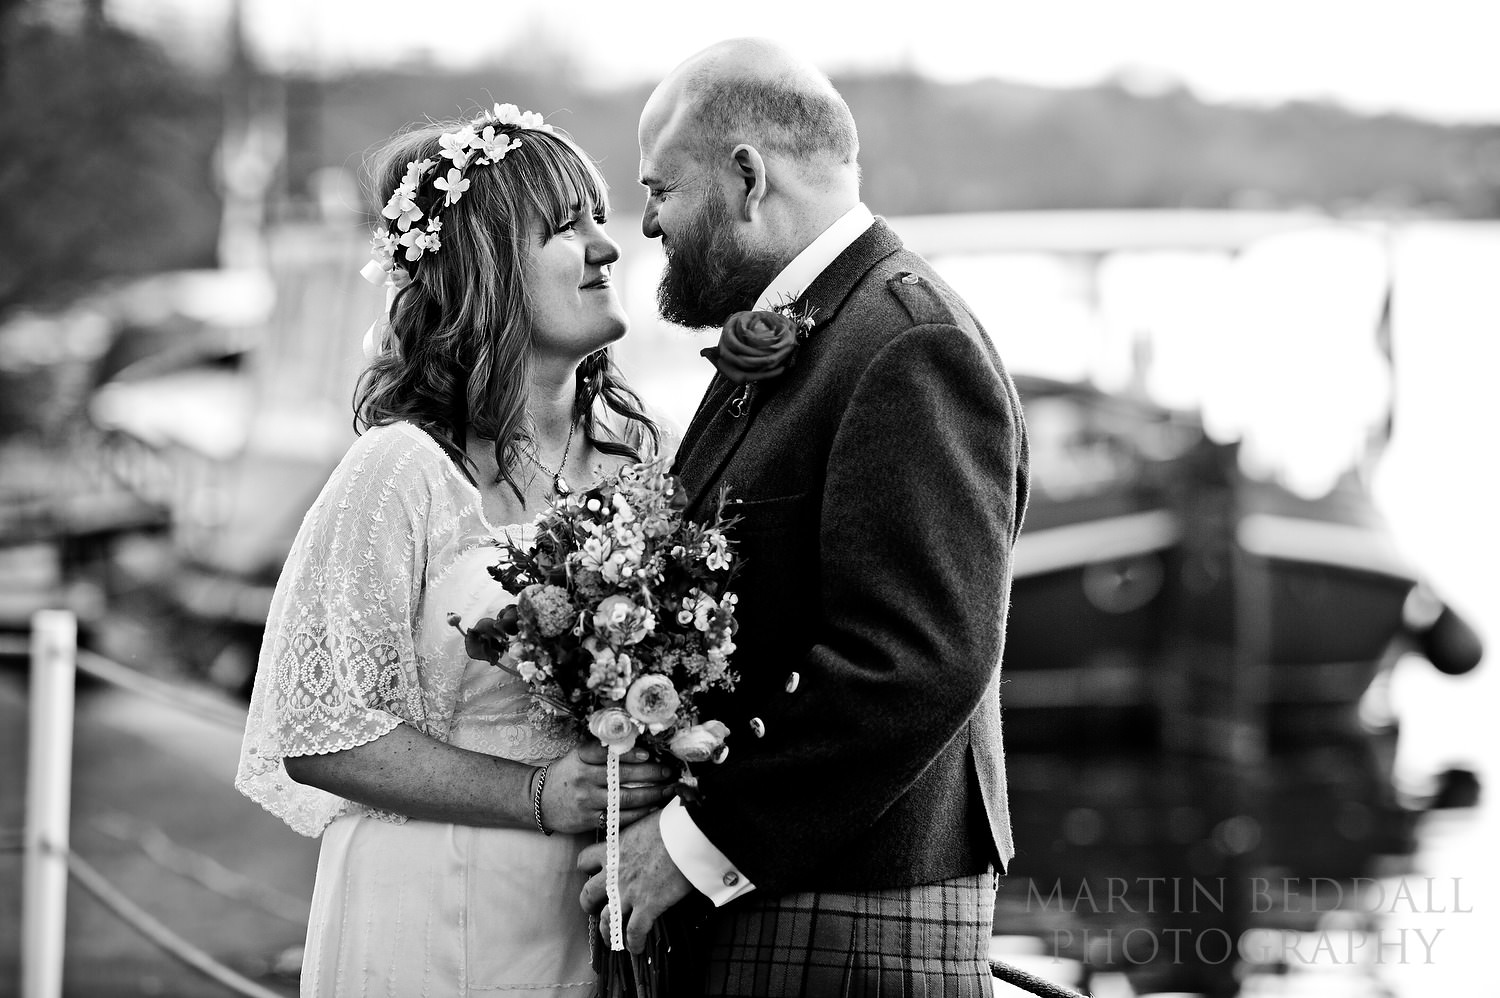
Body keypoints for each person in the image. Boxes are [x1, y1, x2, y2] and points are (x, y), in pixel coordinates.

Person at [579, 39, 1031, 996]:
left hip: (853, 909)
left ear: (747, 177)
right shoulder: (826, 333)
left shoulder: (907, 344)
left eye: (661, 189)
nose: (648, 223)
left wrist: (699, 844)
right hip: (798, 900)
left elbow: (916, 659)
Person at [235, 104, 680, 996]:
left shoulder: (648, 459)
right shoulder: (400, 470)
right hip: (431, 907)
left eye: (602, 218)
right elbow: (320, 731)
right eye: (566, 227)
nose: (608, 246)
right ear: (484, 270)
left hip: (595, 905)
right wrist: (536, 796)